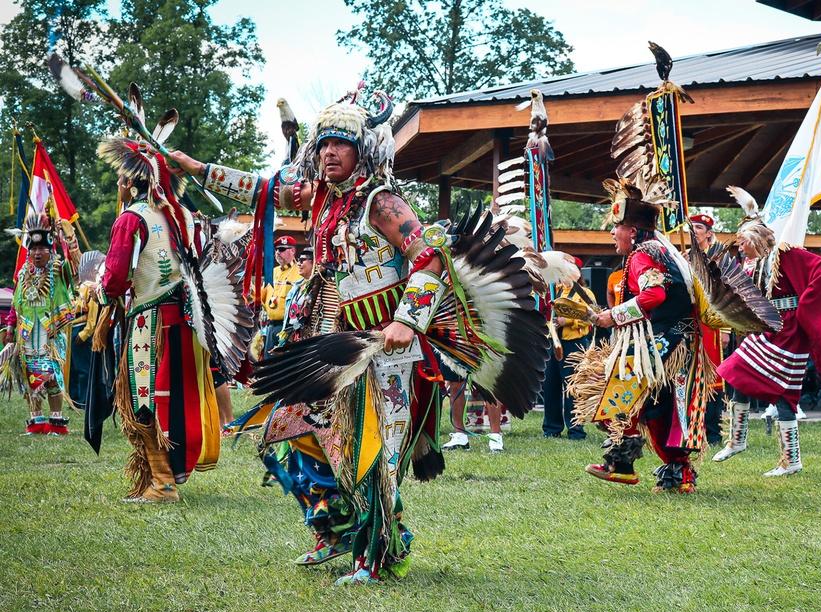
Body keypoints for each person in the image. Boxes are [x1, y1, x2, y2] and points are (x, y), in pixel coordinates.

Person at [173, 92, 547, 584]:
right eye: (324, 143)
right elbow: (264, 191)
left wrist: (407, 321)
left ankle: (379, 555)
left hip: (383, 350)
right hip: (330, 343)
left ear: (364, 151)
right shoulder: (323, 197)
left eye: (341, 145)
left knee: (368, 455)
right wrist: (195, 167)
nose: (330, 152)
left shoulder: (383, 203)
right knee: (284, 433)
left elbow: (429, 255)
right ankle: (335, 528)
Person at [98, 135, 225, 503]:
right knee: (179, 397)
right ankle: (170, 472)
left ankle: (163, 482)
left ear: (130, 179)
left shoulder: (133, 218)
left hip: (150, 323)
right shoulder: (186, 216)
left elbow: (117, 275)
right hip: (190, 324)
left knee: (144, 399)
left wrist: (101, 294)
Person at [568, 178, 707, 493]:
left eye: (616, 228)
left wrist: (612, 316)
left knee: (614, 392)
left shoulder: (643, 254)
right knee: (658, 406)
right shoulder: (658, 249)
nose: (612, 234)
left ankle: (623, 464)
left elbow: (654, 295)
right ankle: (678, 473)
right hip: (678, 340)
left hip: (665, 342)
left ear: (631, 230)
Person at [713, 198, 821, 475]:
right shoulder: (753, 265)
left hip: (789, 331)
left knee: (782, 393)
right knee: (735, 373)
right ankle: (739, 440)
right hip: (769, 329)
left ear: (756, 239)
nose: (740, 247)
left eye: (743, 242)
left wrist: (806, 305)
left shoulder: (786, 253)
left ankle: (790, 460)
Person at [1, 211, 79, 435]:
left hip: (50, 333)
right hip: (26, 334)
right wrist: (10, 327)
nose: (36, 253)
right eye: (33, 249)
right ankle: (36, 421)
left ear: (50, 249)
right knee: (29, 376)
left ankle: (56, 422)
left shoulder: (58, 269)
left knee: (51, 375)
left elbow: (76, 268)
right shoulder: (23, 273)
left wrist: (70, 239)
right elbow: (16, 304)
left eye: (41, 249)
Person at [690, 212, 728, 445]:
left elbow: (727, 297)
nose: (694, 232)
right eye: (691, 227)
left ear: (709, 234)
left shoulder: (718, 260)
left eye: (698, 228)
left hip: (712, 325)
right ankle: (692, 429)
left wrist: (725, 330)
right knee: (690, 374)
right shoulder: (684, 256)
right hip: (689, 323)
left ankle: (712, 433)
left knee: (712, 376)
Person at [542, 275, 595, 440]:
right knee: (550, 386)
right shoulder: (553, 292)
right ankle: (551, 428)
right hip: (553, 342)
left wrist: (569, 321)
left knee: (573, 387)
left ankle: (576, 429)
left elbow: (592, 317)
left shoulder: (585, 293)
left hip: (574, 343)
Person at [260, 235, 302, 355]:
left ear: (292, 251)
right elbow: (262, 298)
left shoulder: (300, 271)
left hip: (288, 328)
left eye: (282, 249)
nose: (278, 252)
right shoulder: (273, 272)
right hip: (269, 327)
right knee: (267, 365)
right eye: (277, 249)